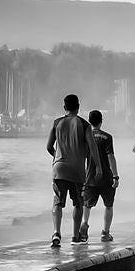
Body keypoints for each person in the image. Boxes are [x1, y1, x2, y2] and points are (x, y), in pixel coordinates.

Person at [46, 94, 103, 247]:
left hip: (59, 169)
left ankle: (56, 233)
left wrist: (57, 157)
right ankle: (75, 235)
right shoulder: (85, 125)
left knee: (57, 202)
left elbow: (48, 146)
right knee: (78, 203)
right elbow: (92, 148)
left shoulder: (56, 123)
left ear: (64, 108)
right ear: (78, 107)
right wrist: (98, 167)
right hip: (77, 170)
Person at [81, 110, 120, 242]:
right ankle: (105, 233)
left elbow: (81, 157)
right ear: (101, 121)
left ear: (89, 121)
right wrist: (115, 176)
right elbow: (111, 157)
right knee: (108, 205)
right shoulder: (107, 137)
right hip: (106, 178)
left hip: (89, 177)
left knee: (87, 205)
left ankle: (85, 224)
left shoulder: (85, 137)